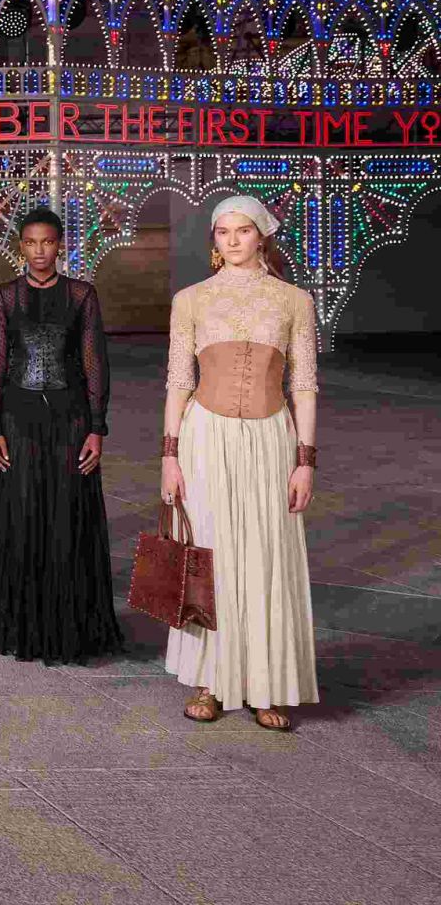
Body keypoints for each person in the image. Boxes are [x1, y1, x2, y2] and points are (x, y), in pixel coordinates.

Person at [162, 195, 318, 730]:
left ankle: (266, 682)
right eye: (223, 231)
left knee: (266, 554)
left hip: (272, 438)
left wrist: (305, 460)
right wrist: (169, 455)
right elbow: (179, 382)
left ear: (261, 236)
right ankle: (210, 680)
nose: (232, 240)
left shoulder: (294, 301)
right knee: (211, 552)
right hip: (206, 437)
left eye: (243, 230)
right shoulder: (191, 300)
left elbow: (304, 385)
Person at [0, 208, 124, 663]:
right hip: (18, 418)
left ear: (60, 245)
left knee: (70, 515)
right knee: (21, 513)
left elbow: (94, 362)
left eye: (47, 242)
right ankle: (22, 624)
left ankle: (73, 628)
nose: (39, 250)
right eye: (30, 242)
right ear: (20, 246)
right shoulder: (4, 296)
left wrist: (97, 427)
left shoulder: (82, 294)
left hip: (71, 418)